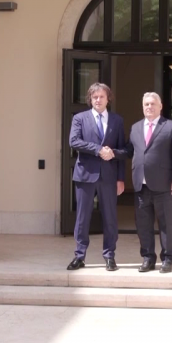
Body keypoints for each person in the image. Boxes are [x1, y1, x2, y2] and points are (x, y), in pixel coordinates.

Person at [67, 82, 130, 271]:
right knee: (82, 218)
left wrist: (120, 178)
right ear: (90, 99)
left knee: (110, 218)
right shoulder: (80, 118)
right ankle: (79, 256)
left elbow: (123, 151)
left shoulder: (117, 120)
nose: (98, 100)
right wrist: (98, 150)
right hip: (85, 176)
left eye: (102, 96)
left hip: (109, 177)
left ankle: (110, 256)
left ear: (108, 99)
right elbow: (74, 141)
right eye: (94, 97)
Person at [129, 92, 172, 273]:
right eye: (146, 104)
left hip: (164, 185)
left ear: (160, 106)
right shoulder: (135, 128)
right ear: (142, 107)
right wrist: (110, 152)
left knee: (167, 224)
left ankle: (167, 259)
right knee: (143, 225)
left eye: (153, 104)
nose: (149, 107)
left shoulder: (171, 127)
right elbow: (130, 150)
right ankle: (148, 258)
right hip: (141, 185)